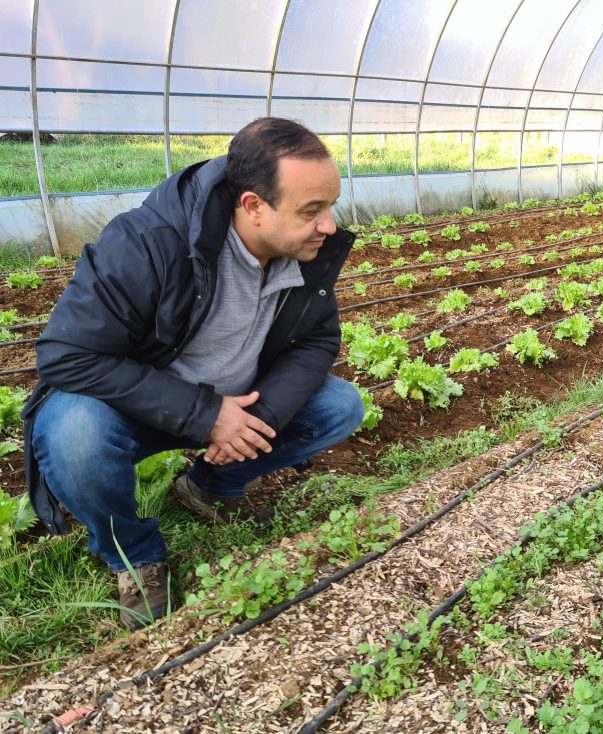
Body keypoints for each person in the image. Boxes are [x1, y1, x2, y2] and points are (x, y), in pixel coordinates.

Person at [22, 117, 364, 630]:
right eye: (311, 211)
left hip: (235, 399)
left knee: (339, 407)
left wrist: (257, 416)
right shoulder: (148, 243)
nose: (329, 226)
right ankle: (134, 553)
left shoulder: (305, 253)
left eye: (330, 206)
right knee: (73, 435)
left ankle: (208, 486)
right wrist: (205, 415)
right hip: (132, 407)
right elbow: (66, 355)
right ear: (252, 205)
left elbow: (316, 340)